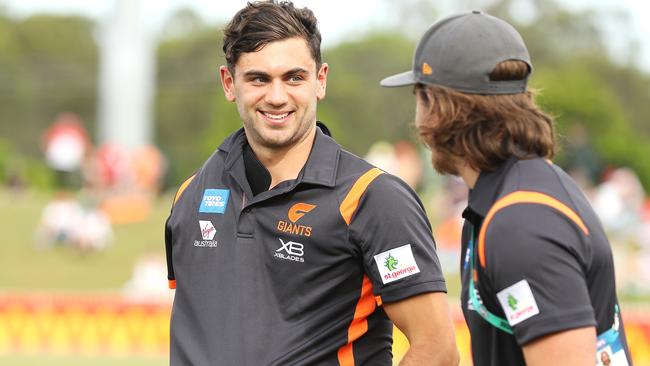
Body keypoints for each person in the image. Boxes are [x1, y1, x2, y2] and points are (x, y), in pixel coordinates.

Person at [164, 1, 459, 365]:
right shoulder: (191, 194)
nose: (276, 97)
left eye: (294, 77)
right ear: (229, 83)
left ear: (320, 81)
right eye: (258, 78)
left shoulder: (374, 198)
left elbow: (437, 349)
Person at [380, 10, 632, 366]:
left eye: (418, 97)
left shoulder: (520, 224)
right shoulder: (519, 195)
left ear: (436, 106)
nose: (416, 121)